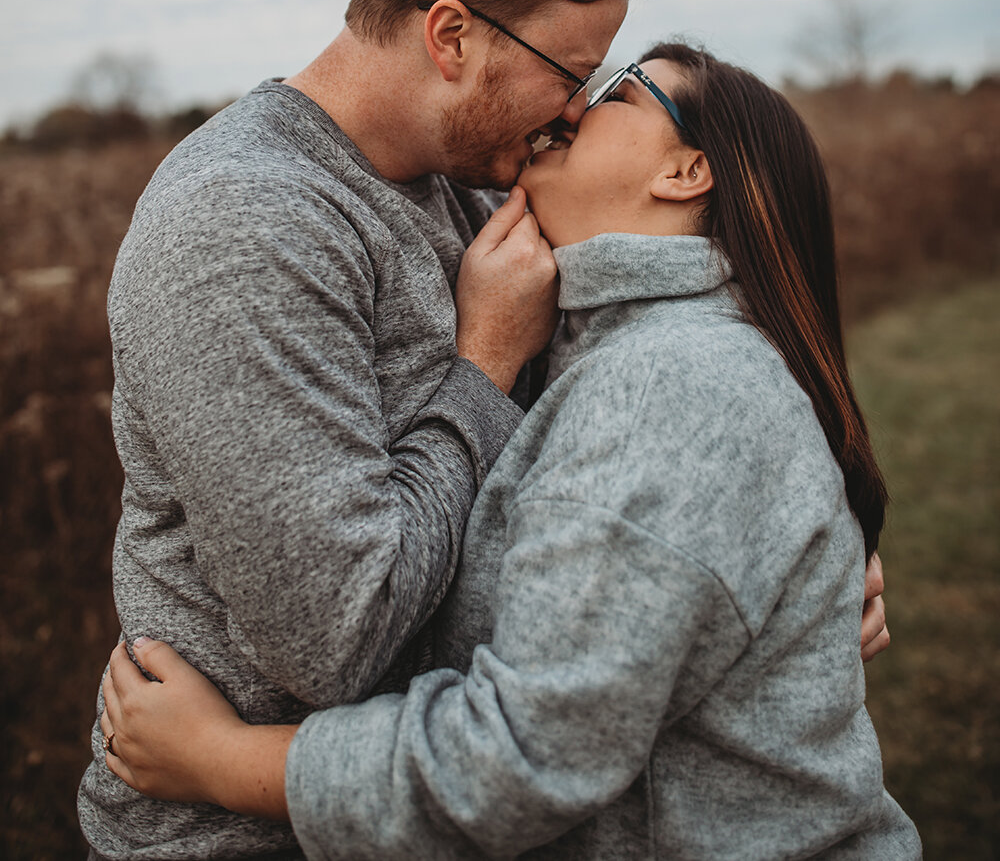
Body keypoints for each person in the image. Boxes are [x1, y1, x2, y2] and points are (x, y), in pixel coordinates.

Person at [99, 45, 917, 859]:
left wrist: (217, 760)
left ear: (685, 172)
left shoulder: (664, 385)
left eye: (617, 89)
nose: (572, 107)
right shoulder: (611, 343)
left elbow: (523, 757)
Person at [78, 0, 645, 860]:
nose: (576, 112)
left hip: (420, 809)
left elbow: (625, 399)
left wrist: (781, 545)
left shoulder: (469, 179)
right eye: (571, 72)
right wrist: (482, 366)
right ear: (452, 37)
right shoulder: (243, 226)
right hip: (244, 838)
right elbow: (340, 635)